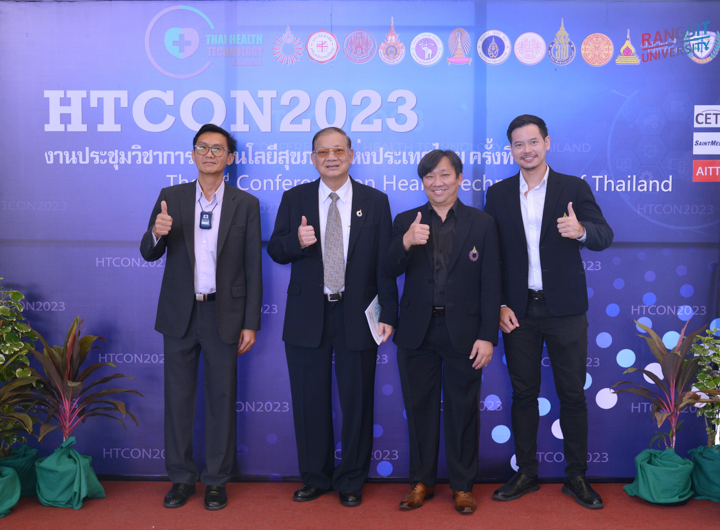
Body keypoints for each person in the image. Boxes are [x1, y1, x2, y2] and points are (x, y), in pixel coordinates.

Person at [484, 115, 613, 509]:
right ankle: (526, 473)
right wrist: (499, 304)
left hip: (565, 311)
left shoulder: (573, 188)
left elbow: (604, 235)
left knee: (572, 395)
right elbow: (491, 258)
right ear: (511, 149)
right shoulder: (498, 194)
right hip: (518, 311)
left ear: (547, 142)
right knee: (524, 394)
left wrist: (582, 232)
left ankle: (576, 476)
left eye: (533, 142)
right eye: (518, 144)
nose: (527, 150)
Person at [267, 127, 398, 507]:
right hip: (308, 313)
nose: (331, 157)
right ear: (313, 159)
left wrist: (388, 312)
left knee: (357, 401)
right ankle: (315, 477)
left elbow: (385, 264)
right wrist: (296, 241)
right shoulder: (295, 198)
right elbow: (276, 249)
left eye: (338, 150)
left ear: (351, 155)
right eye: (323, 152)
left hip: (358, 313)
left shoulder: (375, 201)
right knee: (309, 400)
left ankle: (352, 479)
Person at [140, 124, 262, 511]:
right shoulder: (171, 197)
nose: (210, 154)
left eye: (218, 149)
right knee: (178, 399)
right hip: (180, 312)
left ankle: (216, 480)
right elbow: (148, 252)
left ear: (230, 157)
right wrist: (157, 233)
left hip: (224, 313)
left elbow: (253, 266)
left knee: (221, 399)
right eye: (202, 147)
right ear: (193, 154)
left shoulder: (246, 203)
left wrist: (250, 322)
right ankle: (180, 478)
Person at [386, 150, 501, 514]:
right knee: (418, 408)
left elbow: (491, 283)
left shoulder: (482, 223)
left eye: (444, 175)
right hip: (416, 331)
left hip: (465, 333)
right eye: (429, 177)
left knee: (462, 410)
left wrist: (488, 335)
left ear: (459, 178)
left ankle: (463, 486)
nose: (437, 183)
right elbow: (386, 268)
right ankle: (420, 482)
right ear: (423, 182)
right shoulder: (406, 220)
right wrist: (406, 241)